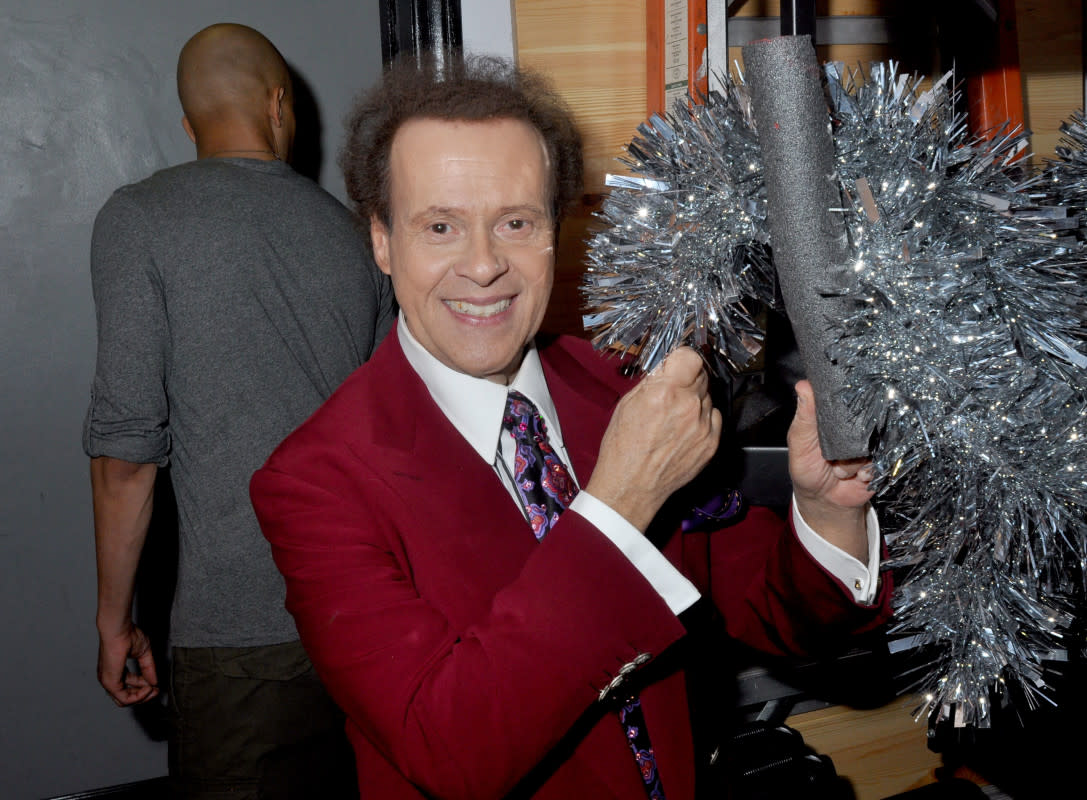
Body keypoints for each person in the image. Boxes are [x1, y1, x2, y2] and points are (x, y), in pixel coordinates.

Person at [250, 55, 891, 800]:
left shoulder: (617, 388)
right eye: (440, 226)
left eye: (515, 222)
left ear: (556, 230)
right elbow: (451, 751)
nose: (484, 266)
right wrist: (619, 502)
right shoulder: (316, 479)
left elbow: (771, 612)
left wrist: (822, 511)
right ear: (383, 243)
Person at [84, 22, 395, 799]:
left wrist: (114, 619)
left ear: (189, 126)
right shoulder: (359, 236)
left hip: (238, 638)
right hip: (367, 617)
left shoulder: (139, 219)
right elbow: (396, 426)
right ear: (280, 106)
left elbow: (126, 458)